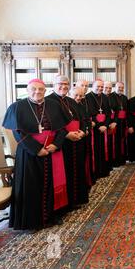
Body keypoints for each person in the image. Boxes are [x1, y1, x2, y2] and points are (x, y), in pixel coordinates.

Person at [2, 79, 70, 230]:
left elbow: (63, 129)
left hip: (52, 151)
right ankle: (32, 221)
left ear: (45, 91)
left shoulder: (54, 105)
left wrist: (56, 144)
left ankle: (51, 216)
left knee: (52, 184)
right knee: (31, 186)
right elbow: (18, 133)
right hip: (29, 154)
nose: (37, 92)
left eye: (41, 89)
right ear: (27, 89)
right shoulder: (17, 107)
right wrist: (36, 149)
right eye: (34, 89)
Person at [47, 76, 89, 209]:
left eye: (66, 84)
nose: (63, 86)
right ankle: (66, 204)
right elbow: (51, 124)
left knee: (76, 170)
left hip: (77, 140)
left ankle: (76, 199)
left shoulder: (71, 101)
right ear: (53, 84)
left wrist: (82, 131)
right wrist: (67, 134)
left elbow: (82, 118)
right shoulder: (48, 102)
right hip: (62, 143)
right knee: (65, 173)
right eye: (60, 84)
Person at [85, 80, 112, 179]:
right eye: (98, 86)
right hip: (94, 129)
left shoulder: (105, 97)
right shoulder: (87, 97)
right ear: (93, 86)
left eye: (102, 86)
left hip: (104, 128)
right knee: (95, 150)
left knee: (104, 149)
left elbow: (109, 114)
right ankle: (96, 172)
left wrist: (105, 125)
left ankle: (104, 170)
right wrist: (98, 125)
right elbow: (89, 114)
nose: (100, 88)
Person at [108, 81, 129, 167]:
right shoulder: (110, 96)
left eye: (122, 88)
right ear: (115, 87)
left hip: (123, 122)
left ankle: (122, 159)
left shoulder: (124, 97)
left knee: (122, 140)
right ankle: (115, 160)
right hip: (115, 122)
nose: (120, 89)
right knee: (115, 141)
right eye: (119, 87)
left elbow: (126, 110)